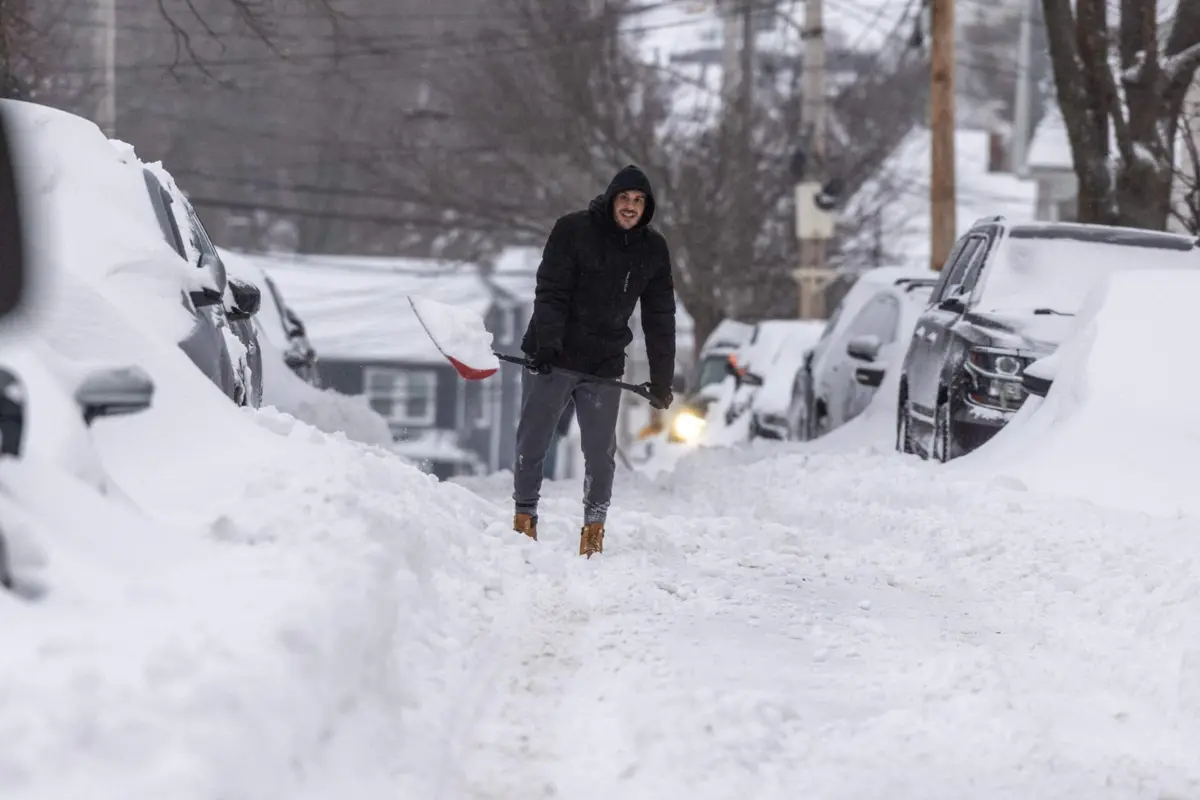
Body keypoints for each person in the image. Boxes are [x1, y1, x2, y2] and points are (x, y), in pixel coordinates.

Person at [512, 164, 676, 557]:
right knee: (533, 441)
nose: (631, 207)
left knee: (600, 453)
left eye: (639, 201)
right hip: (554, 357)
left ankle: (594, 529)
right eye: (625, 198)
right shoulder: (573, 230)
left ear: (646, 207)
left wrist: (662, 381)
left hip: (604, 364)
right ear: (611, 199)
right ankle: (523, 520)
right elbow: (550, 290)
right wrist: (547, 346)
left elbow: (660, 318)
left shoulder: (653, 250)